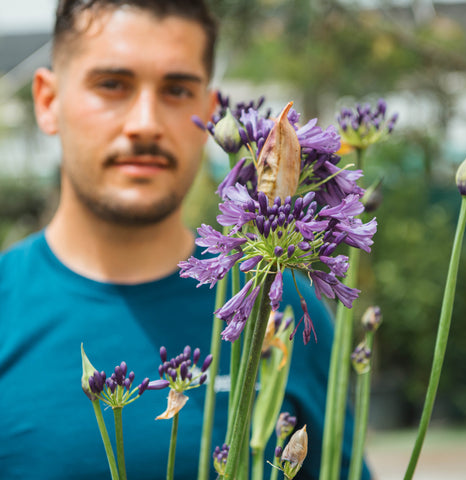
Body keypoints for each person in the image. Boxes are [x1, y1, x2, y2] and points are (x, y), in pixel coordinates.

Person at [0, 1, 371, 479]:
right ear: (48, 101)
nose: (146, 123)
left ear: (211, 117)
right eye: (112, 85)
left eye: (177, 89)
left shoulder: (281, 313)